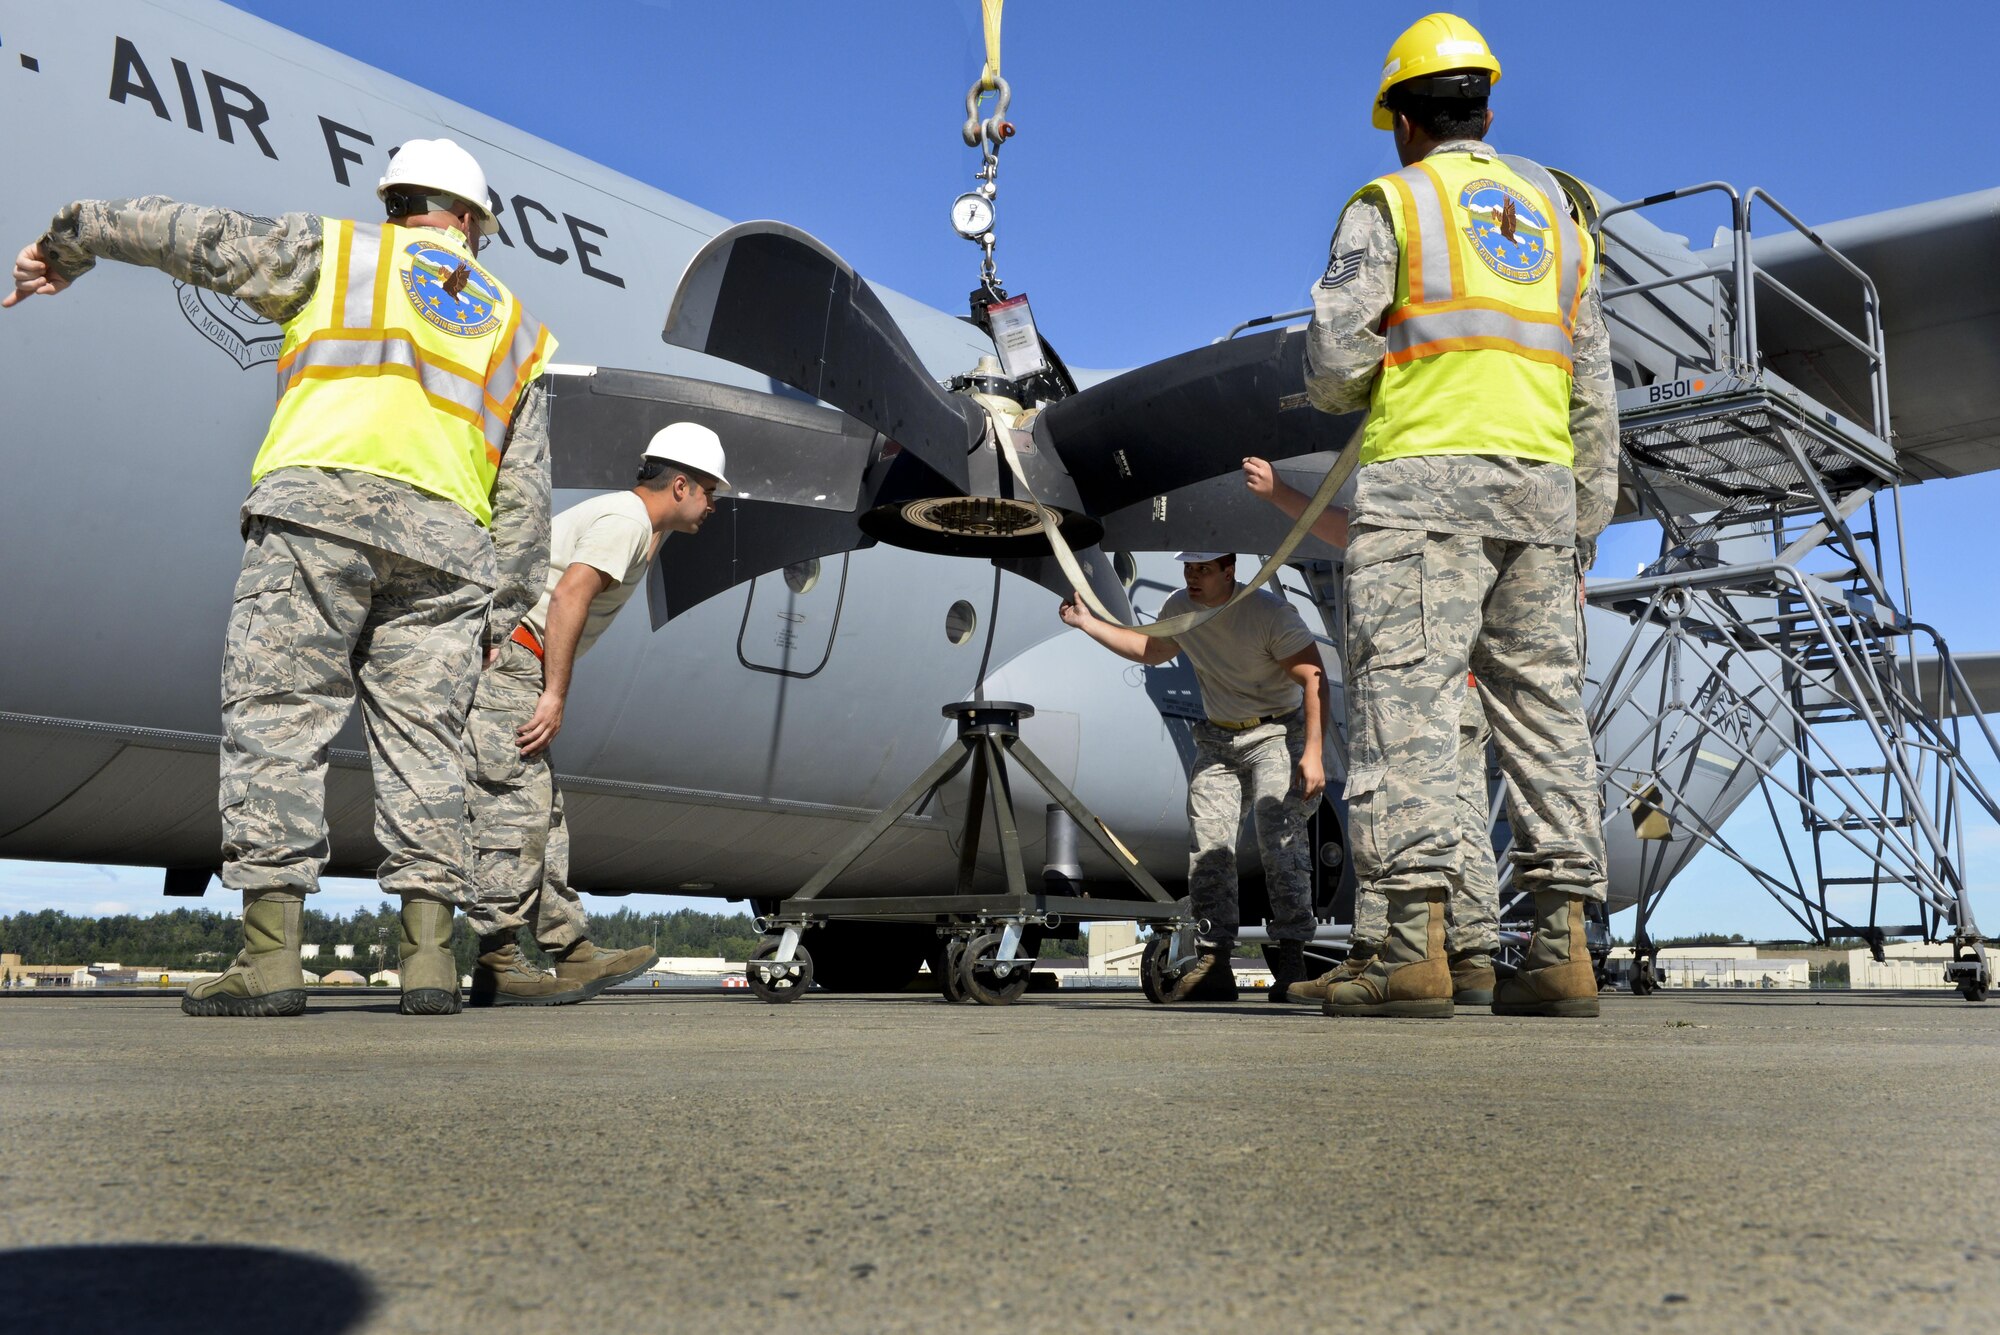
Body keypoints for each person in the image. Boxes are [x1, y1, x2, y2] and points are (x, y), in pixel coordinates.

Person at [5, 139, 556, 1018]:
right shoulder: (518, 329)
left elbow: (191, 234)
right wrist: (507, 612)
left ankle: (270, 959)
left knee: (278, 718)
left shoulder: (335, 251)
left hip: (317, 517)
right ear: (472, 221)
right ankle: (426, 964)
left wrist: (74, 238)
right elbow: (527, 499)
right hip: (450, 550)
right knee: (426, 748)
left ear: (396, 203)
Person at [1300, 13, 1617, 1018]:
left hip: (1423, 488)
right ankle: (1560, 949)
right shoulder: (1559, 220)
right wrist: (1583, 526)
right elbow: (1594, 387)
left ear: (1399, 119)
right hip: (1541, 494)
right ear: (1484, 106)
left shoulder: (1390, 205)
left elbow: (1333, 366)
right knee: (1543, 715)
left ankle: (1409, 951)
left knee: (1409, 709)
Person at [462, 423, 731, 1005]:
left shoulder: (637, 526)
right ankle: (499, 961)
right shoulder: (629, 522)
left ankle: (572, 953)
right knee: (513, 810)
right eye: (710, 490)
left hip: (518, 662)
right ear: (680, 485)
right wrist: (554, 693)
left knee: (545, 818)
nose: (714, 504)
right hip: (518, 666)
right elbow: (569, 595)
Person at [1241, 458, 1502, 1007]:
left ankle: (1385, 948)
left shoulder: (1416, 490)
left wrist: (1283, 493)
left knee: (1393, 802)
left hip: (1413, 684)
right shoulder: (1492, 501)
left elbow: (1353, 528)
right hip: (1466, 685)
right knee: (1465, 812)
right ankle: (1473, 959)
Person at [1060, 553, 1329, 1002]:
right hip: (1218, 739)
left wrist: (1315, 753)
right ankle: (1214, 960)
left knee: (1280, 844)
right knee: (1209, 849)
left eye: (1203, 569)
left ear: (1229, 572)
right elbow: (1152, 650)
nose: (1192, 577)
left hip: (1278, 733)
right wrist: (1088, 624)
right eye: (1188, 569)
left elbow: (1314, 677)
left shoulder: (1270, 614)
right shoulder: (1180, 608)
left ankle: (1292, 959)